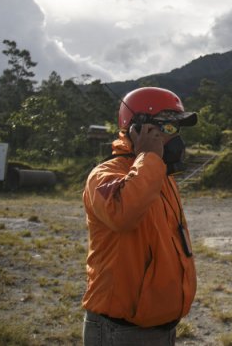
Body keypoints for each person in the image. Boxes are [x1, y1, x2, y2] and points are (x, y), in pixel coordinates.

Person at [82, 86, 198, 346]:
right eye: (168, 128)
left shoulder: (160, 176)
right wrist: (148, 157)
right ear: (139, 129)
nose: (176, 138)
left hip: (160, 328)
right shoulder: (104, 175)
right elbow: (123, 214)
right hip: (120, 331)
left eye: (177, 129)